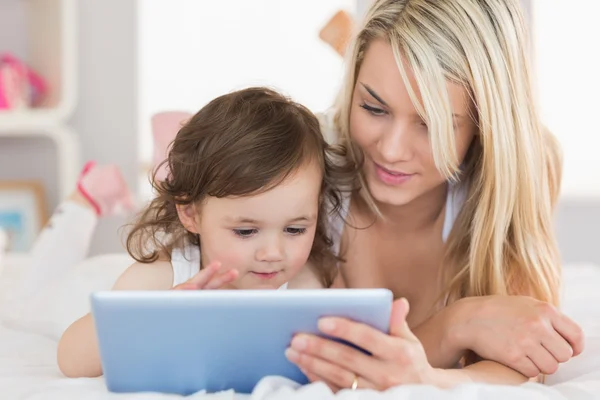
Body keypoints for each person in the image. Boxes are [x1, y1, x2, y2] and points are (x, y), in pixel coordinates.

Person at [283, 0, 584, 391]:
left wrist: (426, 378)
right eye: (374, 108)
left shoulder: (521, 172)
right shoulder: (307, 168)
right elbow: (325, 364)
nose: (391, 150)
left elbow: (524, 359)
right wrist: (455, 325)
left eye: (430, 124)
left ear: (483, 124)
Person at [56, 86, 351, 378]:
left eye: (295, 229)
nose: (273, 253)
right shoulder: (157, 280)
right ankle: (82, 202)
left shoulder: (307, 286)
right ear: (190, 213)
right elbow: (71, 361)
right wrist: (152, 315)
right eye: (246, 231)